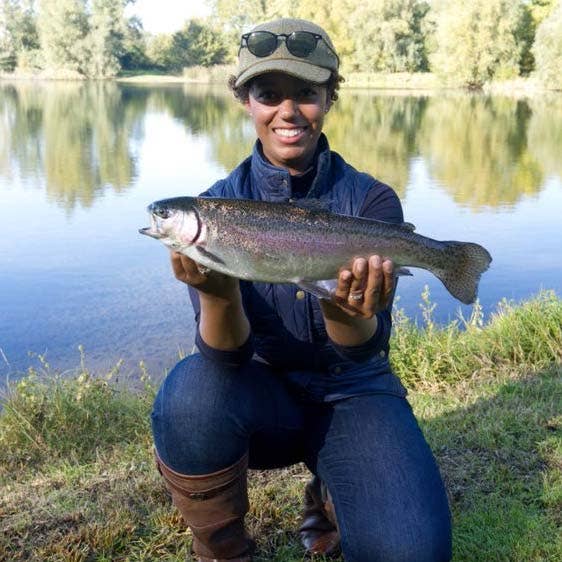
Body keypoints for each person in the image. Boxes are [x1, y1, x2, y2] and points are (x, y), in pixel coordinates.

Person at [151, 17, 452, 562]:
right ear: (245, 100)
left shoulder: (371, 202)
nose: (287, 112)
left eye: (307, 94)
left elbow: (361, 346)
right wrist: (219, 293)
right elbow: (228, 356)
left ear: (330, 98)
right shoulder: (216, 207)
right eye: (268, 94)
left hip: (354, 390)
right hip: (261, 395)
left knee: (412, 553)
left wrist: (346, 305)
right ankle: (222, 549)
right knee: (191, 395)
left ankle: (334, 487)